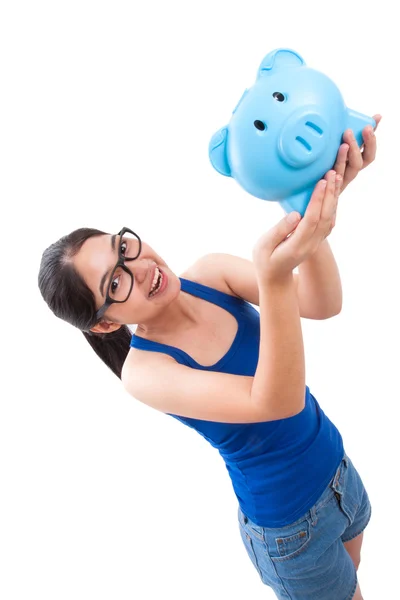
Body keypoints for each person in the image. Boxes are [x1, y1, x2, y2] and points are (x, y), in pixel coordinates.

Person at [38, 122, 380, 600]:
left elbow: (323, 302)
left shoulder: (211, 274)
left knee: (354, 576)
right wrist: (275, 275)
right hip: (290, 529)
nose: (139, 269)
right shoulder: (145, 373)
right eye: (115, 284)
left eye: (123, 248)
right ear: (105, 323)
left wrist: (306, 208)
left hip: (336, 469)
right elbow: (275, 401)